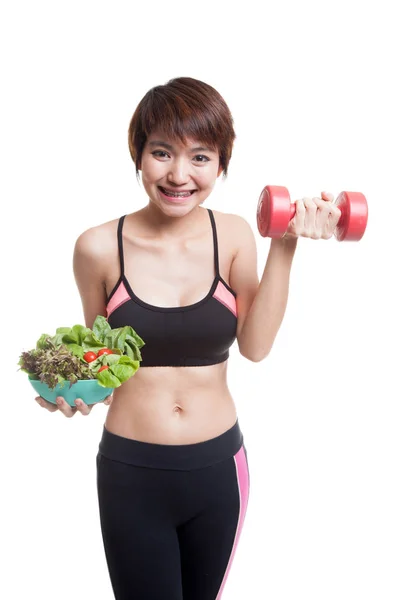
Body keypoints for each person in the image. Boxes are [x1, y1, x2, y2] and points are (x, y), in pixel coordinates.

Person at [35, 77, 340, 600]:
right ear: (137, 155)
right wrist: (68, 391)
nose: (179, 175)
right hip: (131, 471)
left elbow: (256, 346)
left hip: (218, 470)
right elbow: (103, 366)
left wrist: (285, 244)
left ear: (221, 164)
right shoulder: (97, 248)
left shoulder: (236, 234)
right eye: (161, 153)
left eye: (201, 157)